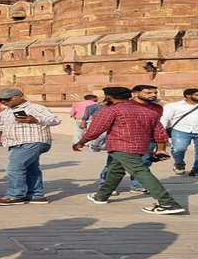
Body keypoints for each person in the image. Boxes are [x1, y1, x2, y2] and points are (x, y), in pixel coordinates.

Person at [73, 87, 185, 215]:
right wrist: (161, 149)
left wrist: (80, 143)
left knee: (141, 172)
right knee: (116, 170)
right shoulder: (148, 111)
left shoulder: (111, 110)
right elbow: (159, 132)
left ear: (108, 97)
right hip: (141, 146)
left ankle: (168, 203)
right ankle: (101, 196)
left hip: (122, 146)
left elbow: (95, 130)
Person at [0, 88, 61, 206]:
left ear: (20, 96)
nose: (4, 102)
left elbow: (55, 120)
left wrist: (36, 120)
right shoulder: (6, 112)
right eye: (0, 100)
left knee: (14, 168)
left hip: (32, 141)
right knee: (31, 169)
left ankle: (15, 196)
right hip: (15, 143)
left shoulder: (35, 108)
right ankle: (36, 195)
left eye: (8, 99)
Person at [160, 88, 198, 178]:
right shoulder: (174, 106)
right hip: (181, 130)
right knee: (178, 149)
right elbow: (164, 117)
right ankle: (179, 163)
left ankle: (197, 169)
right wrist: (161, 130)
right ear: (188, 95)